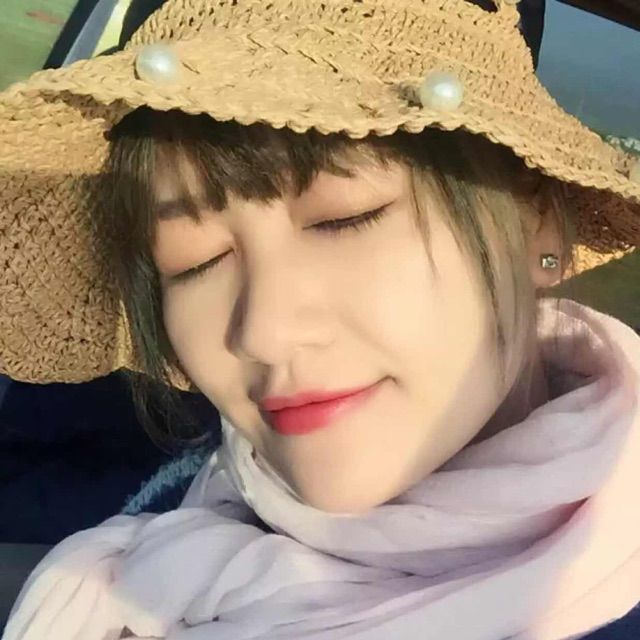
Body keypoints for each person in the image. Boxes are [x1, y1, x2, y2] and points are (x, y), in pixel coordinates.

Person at [1, 0, 639, 638]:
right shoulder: (126, 500)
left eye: (344, 218)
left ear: (536, 225)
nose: (264, 332)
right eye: (194, 259)